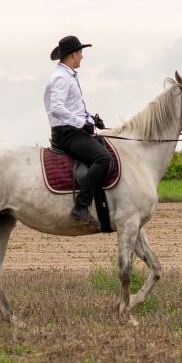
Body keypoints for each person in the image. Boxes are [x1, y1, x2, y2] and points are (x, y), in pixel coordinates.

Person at [44, 35, 111, 228]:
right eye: (80, 52)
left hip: (72, 128)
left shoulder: (68, 75)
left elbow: (74, 107)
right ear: (72, 55)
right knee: (103, 159)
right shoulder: (61, 78)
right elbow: (56, 108)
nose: (82, 56)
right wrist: (81, 123)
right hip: (66, 132)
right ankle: (81, 206)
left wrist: (91, 120)